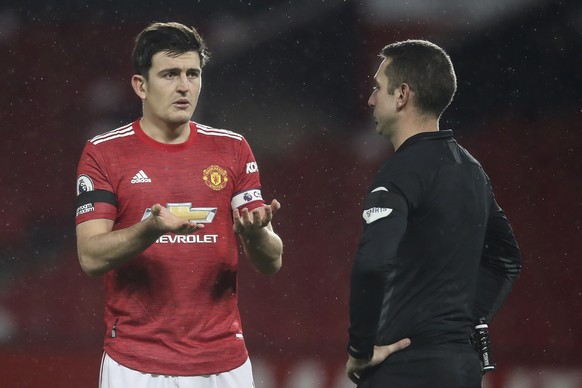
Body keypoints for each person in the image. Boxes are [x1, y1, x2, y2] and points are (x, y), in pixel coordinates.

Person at [75, 21, 283, 388]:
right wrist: (150, 228)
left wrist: (255, 236)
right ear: (141, 85)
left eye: (192, 74)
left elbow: (271, 262)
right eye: (170, 74)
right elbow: (91, 257)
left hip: (224, 364)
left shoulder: (232, 149)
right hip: (136, 364)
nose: (184, 86)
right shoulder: (104, 153)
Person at [346, 39, 521, 387]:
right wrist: (460, 325)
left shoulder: (399, 172)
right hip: (460, 367)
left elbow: (372, 264)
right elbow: (506, 258)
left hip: (406, 369)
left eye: (378, 87)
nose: (370, 99)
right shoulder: (471, 170)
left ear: (402, 95)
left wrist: (360, 348)